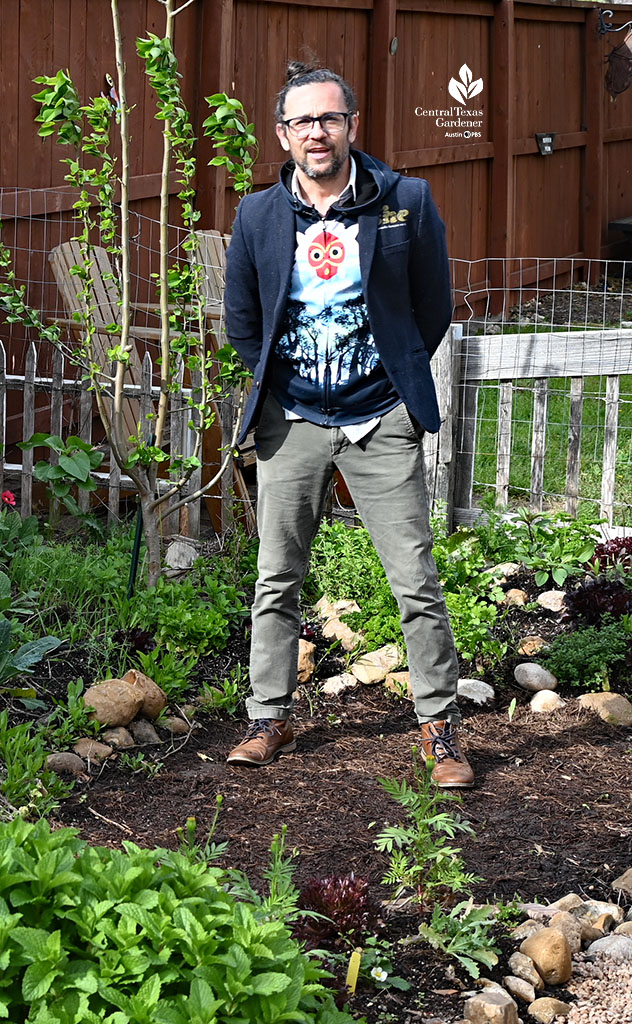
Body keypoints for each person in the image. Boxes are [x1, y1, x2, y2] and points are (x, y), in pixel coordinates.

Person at [223, 60, 473, 788]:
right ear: (283, 134)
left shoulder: (405, 202)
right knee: (277, 578)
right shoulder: (259, 215)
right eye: (303, 121)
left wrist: (382, 376)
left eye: (329, 118)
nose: (317, 132)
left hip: (379, 417)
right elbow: (242, 319)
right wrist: (293, 381)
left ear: (351, 126)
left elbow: (431, 307)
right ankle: (269, 717)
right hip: (292, 420)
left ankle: (440, 730)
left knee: (415, 580)